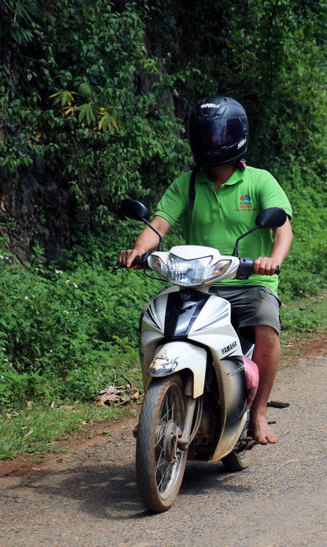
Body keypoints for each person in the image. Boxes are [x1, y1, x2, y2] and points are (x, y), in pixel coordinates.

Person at [119, 96, 293, 445]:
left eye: (221, 134)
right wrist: (138, 250)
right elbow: (159, 225)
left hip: (249, 281)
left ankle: (257, 412)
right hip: (199, 283)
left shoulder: (259, 181)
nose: (214, 142)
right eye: (208, 135)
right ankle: (153, 408)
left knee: (266, 327)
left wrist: (272, 259)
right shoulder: (187, 183)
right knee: (154, 321)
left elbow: (283, 229)